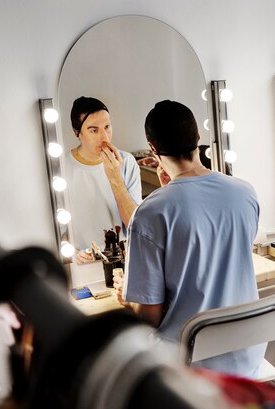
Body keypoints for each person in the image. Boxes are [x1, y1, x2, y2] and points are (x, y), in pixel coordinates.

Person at [114, 100, 264, 378]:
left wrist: (128, 297)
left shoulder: (150, 213)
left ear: (153, 147)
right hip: (247, 356)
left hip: (190, 368)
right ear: (197, 138)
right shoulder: (245, 193)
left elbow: (148, 317)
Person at [64, 96, 142, 261]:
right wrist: (72, 252)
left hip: (125, 260)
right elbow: (56, 227)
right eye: (94, 130)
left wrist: (115, 176)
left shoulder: (126, 162)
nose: (104, 136)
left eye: (107, 127)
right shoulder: (63, 168)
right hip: (85, 262)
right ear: (77, 132)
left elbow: (136, 224)